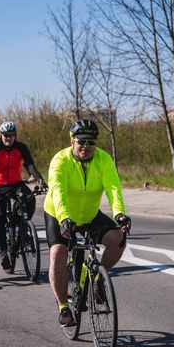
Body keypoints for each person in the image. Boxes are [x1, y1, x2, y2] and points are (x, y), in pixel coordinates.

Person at [44, 119, 131, 327]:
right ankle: (63, 307)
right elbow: (58, 191)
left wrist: (120, 214)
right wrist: (64, 218)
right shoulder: (60, 160)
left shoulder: (103, 159)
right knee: (57, 254)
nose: (86, 146)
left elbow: (113, 189)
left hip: (89, 215)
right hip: (59, 214)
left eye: (91, 142)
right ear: (72, 141)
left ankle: (98, 277)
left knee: (118, 239)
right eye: (81, 141)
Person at [0, 121, 46, 270]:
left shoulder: (21, 147)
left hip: (16, 184)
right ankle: (3, 251)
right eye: (6, 135)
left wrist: (40, 180)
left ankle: (23, 227)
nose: (9, 138)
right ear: (1, 135)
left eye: (11, 135)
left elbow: (30, 165)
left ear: (15, 136)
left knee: (30, 199)